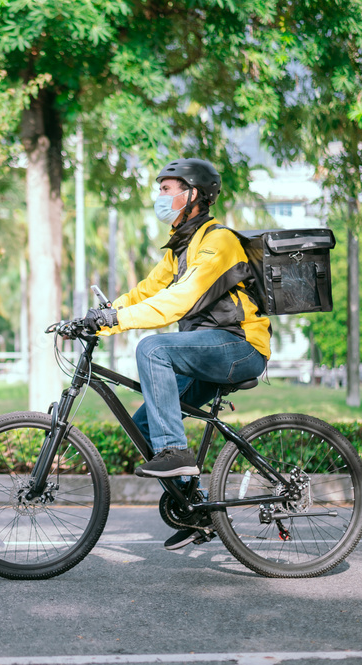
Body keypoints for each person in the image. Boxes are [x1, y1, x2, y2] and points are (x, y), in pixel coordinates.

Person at [84, 158, 270, 550]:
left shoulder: (218, 241)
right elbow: (147, 291)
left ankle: (175, 453)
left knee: (153, 348)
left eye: (167, 189)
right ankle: (195, 507)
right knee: (145, 423)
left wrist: (117, 320)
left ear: (194, 195)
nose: (160, 196)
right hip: (206, 351)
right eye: (160, 189)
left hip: (239, 346)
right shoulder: (180, 247)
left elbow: (178, 301)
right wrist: (98, 318)